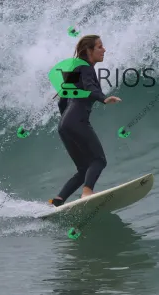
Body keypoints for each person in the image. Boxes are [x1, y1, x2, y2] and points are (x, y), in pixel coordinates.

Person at [49, 35, 122, 207]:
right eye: (99, 47)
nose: (104, 50)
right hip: (77, 121)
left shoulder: (76, 71)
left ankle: (58, 200)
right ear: (89, 51)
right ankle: (87, 192)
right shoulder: (87, 68)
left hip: (64, 125)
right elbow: (90, 87)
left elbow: (62, 101)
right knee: (99, 160)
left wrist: (66, 122)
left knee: (83, 169)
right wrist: (103, 98)